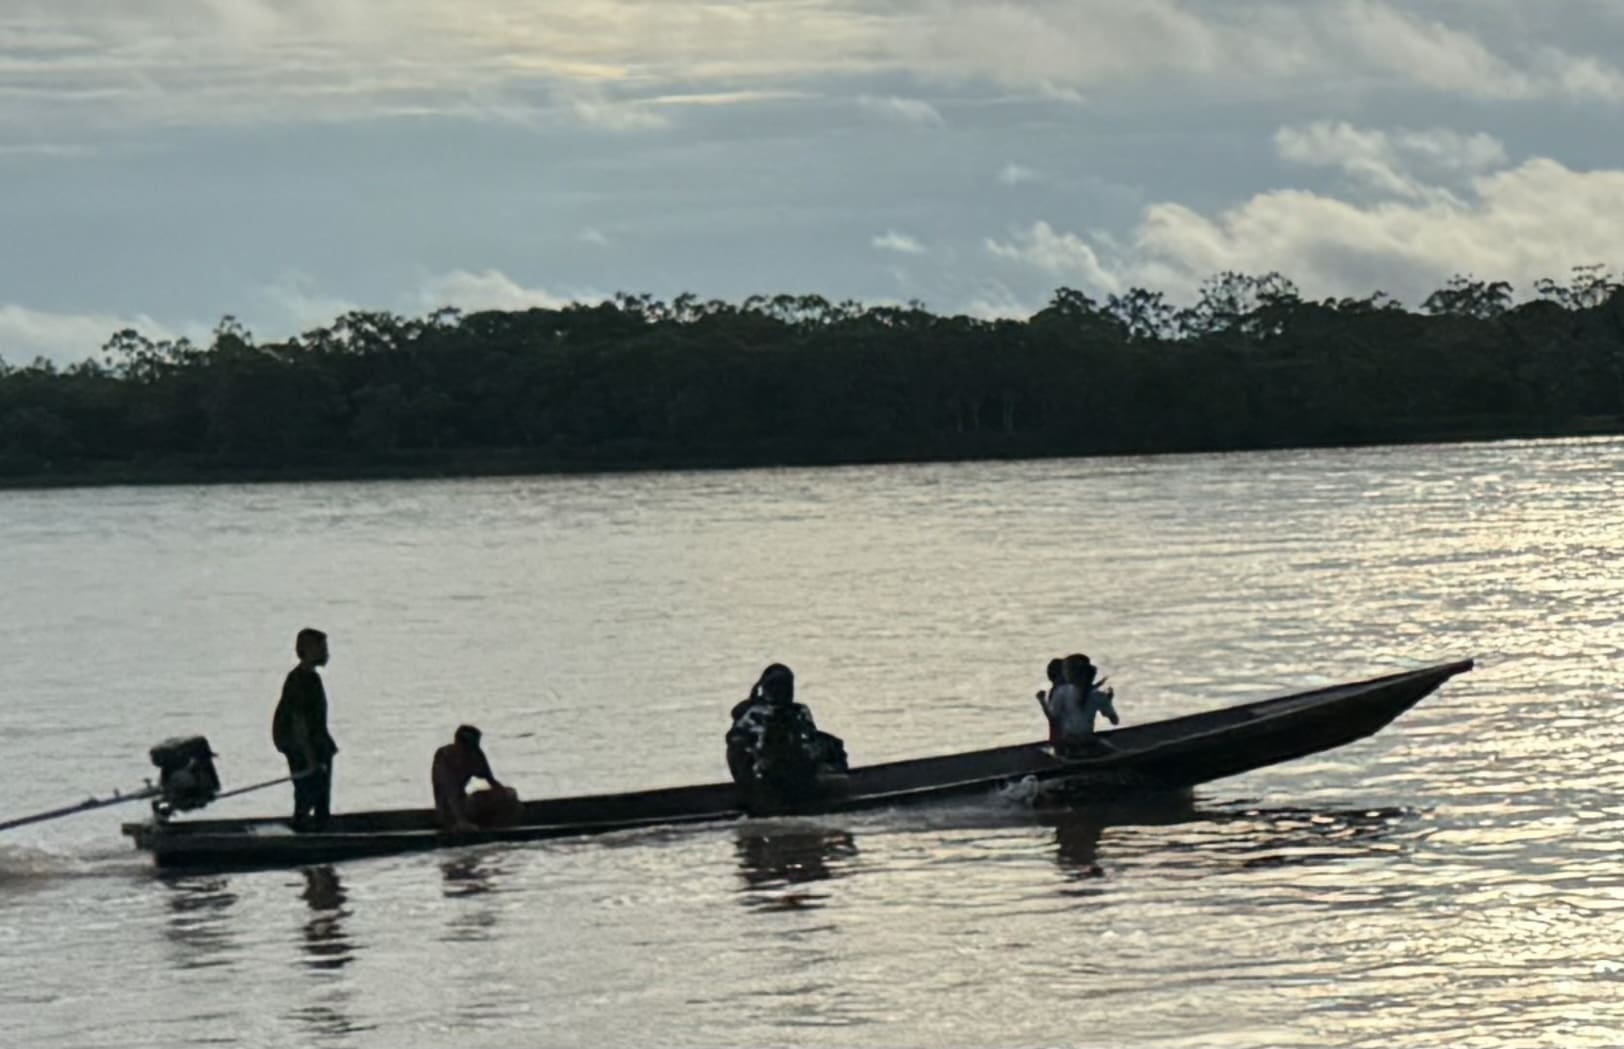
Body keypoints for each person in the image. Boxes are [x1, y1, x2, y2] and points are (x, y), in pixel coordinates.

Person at [725, 664, 847, 805]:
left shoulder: (795, 711)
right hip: (766, 784)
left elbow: (810, 742)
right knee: (838, 778)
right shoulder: (754, 714)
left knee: (832, 748)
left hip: (764, 782)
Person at [272, 627, 339, 829]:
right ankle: (305, 830)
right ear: (308, 650)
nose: (327, 653)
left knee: (319, 794)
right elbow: (298, 722)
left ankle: (321, 827)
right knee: (308, 791)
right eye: (322, 648)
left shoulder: (312, 678)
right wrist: (309, 757)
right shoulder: (299, 680)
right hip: (301, 745)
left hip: (315, 743)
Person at [431, 724, 520, 832]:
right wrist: (461, 821)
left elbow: (491, 781)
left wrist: (508, 799)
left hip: (465, 803)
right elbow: (450, 794)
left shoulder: (475, 754)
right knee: (470, 803)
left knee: (510, 793)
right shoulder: (445, 757)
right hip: (449, 810)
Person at [1044, 653, 1121, 756]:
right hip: (1086, 741)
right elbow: (1115, 721)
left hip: (1067, 745)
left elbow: (1053, 717)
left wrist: (1042, 701)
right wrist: (1108, 703)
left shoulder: (1061, 692)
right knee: (1114, 752)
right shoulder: (1098, 696)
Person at [1035, 657, 1065, 744]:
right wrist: (1042, 701)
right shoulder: (1057, 691)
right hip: (1059, 738)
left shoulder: (1059, 690)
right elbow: (1053, 718)